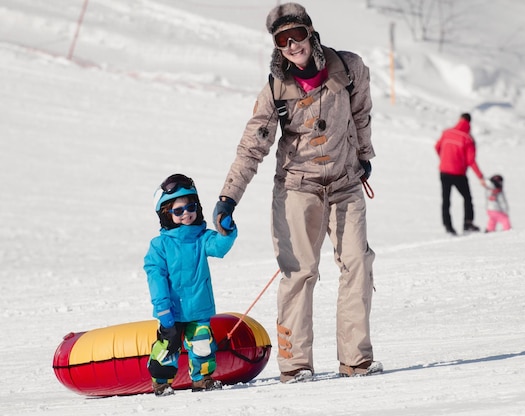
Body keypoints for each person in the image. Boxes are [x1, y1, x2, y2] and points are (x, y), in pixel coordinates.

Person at [211, 3, 381, 383]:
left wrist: (364, 156)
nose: (292, 45)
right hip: (297, 188)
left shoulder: (348, 68)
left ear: (310, 33)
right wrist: (228, 197)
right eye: (282, 40)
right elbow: (252, 146)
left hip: (345, 183)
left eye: (297, 36)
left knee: (358, 264)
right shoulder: (276, 88)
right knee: (299, 273)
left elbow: (362, 114)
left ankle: (356, 359)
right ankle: (296, 364)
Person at [145, 173, 237, 396]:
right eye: (178, 211)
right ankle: (161, 382)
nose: (186, 214)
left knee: (202, 344)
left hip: (198, 308)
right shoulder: (160, 246)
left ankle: (202, 379)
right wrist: (162, 307)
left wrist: (227, 230)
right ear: (166, 213)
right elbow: (155, 278)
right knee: (169, 347)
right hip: (172, 311)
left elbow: (220, 247)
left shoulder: (202, 237)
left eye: (190, 207)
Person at [435, 113, 487, 235]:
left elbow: (437, 147)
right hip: (459, 174)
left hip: (444, 172)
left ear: (459, 119)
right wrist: (480, 176)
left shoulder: (446, 132)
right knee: (467, 198)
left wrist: (444, 159)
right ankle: (467, 224)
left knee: (446, 200)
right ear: (469, 122)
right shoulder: (468, 139)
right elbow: (471, 161)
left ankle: (448, 227)